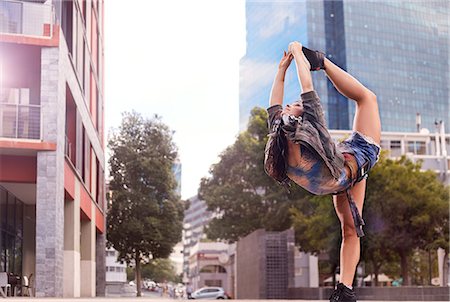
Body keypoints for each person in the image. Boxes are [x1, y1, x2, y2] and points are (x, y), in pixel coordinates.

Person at [265, 41, 381, 302]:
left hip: (341, 175)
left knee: (350, 231)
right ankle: (323, 61)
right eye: (295, 105)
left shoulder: (278, 140)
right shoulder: (308, 122)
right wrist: (299, 54)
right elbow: (307, 87)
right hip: (358, 156)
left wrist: (282, 69)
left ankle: (344, 291)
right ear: (298, 115)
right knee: (366, 99)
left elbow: (274, 103)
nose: (296, 104)